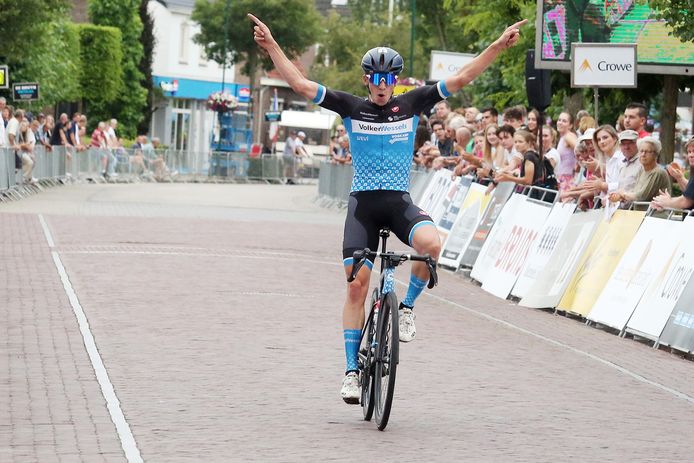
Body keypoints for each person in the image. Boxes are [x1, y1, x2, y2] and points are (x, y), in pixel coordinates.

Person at [248, 12, 526, 403]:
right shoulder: (349, 107)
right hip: (363, 207)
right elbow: (299, 83)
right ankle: (350, 372)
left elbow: (461, 78)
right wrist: (271, 44)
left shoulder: (412, 103)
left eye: (388, 78)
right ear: (367, 80)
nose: (381, 86)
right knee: (357, 285)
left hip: (398, 203)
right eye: (375, 79)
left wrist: (497, 45)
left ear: (396, 80)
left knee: (431, 244)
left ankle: (407, 306)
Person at [609, 137, 671, 205]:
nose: (643, 154)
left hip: (654, 214)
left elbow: (642, 196)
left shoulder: (658, 172)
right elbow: (634, 191)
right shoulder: (641, 170)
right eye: (641, 151)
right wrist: (620, 196)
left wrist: (623, 194)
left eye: (647, 152)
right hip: (639, 213)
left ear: (655, 155)